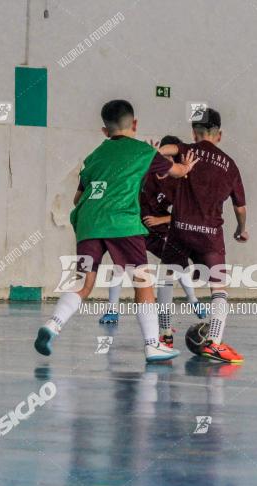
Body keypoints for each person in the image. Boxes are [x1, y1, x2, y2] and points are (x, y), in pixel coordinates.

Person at [34, 99, 198, 362]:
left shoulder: (93, 157)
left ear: (104, 130)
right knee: (143, 282)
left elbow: (78, 199)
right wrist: (187, 167)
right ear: (134, 124)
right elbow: (177, 171)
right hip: (122, 221)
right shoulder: (143, 152)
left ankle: (52, 325)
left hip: (88, 222)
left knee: (84, 283)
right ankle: (152, 345)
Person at [157, 108, 248, 363]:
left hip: (180, 228)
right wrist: (242, 229)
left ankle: (164, 335)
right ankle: (214, 343)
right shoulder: (230, 165)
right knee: (218, 289)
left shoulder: (186, 149)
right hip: (210, 234)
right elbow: (240, 207)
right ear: (219, 135)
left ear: (194, 133)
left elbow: (163, 151)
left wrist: (158, 154)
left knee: (166, 279)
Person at [98, 134, 205, 324]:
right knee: (119, 267)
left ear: (174, 161)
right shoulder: (144, 172)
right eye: (162, 156)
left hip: (159, 230)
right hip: (134, 227)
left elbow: (184, 214)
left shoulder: (177, 182)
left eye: (170, 158)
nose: (165, 161)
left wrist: (159, 219)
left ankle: (193, 300)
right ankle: (112, 310)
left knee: (177, 260)